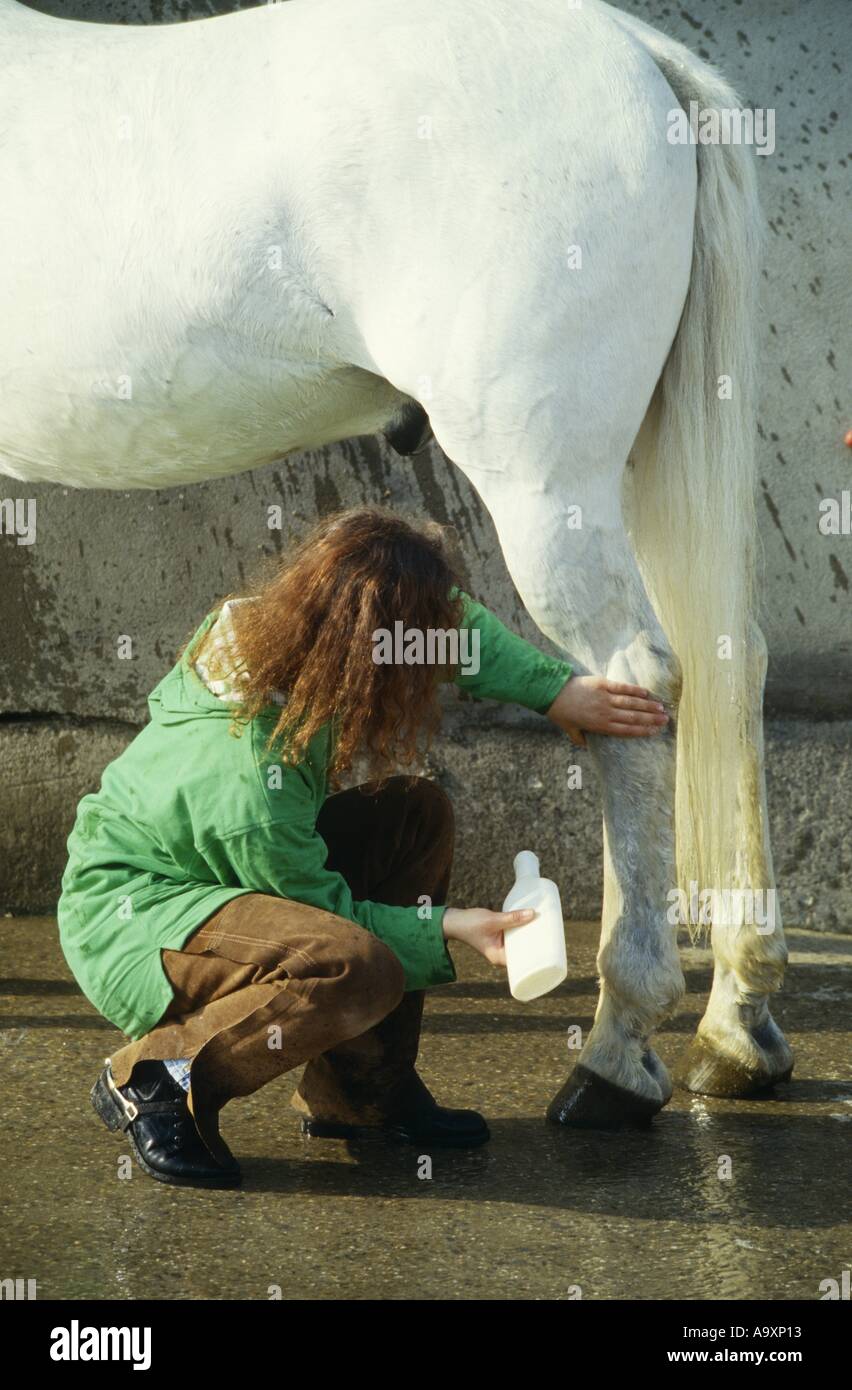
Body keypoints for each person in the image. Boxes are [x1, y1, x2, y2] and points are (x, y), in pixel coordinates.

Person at [58, 506, 668, 1187]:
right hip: (137, 921)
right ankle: (158, 1077)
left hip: (206, 873)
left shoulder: (285, 625)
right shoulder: (254, 782)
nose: (426, 666)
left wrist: (556, 692)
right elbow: (332, 920)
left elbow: (448, 628)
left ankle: (361, 1093)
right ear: (375, 653)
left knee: (414, 814)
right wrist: (451, 926)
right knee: (353, 966)